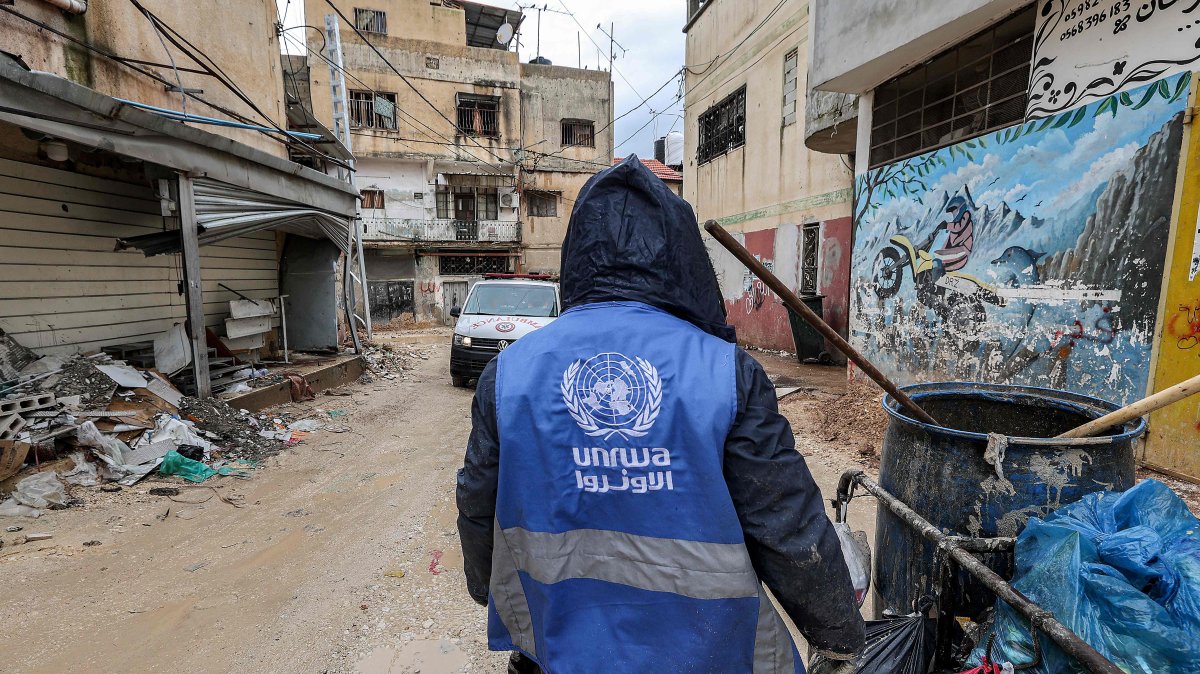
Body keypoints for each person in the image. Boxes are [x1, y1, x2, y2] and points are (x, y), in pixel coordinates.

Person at [456, 156, 865, 673]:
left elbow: (477, 499)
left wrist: (480, 581)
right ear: (680, 256)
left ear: (577, 255)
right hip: (708, 658)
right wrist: (838, 634)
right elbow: (786, 524)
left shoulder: (508, 374)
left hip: (557, 655)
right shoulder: (724, 373)